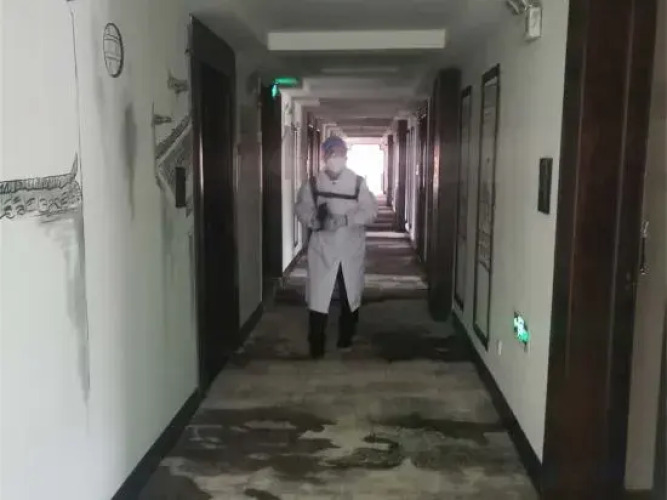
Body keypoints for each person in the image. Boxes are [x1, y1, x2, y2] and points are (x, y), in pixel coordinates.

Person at [295, 136, 378, 359]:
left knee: (349, 293)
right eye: (332, 152)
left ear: (346, 155)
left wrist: (347, 220)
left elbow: (371, 211)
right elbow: (302, 208)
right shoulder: (313, 184)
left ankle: (346, 336)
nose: (336, 157)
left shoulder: (357, 183)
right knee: (318, 296)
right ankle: (316, 342)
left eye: (340, 152)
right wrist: (315, 220)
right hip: (322, 248)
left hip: (350, 248)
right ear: (324, 155)